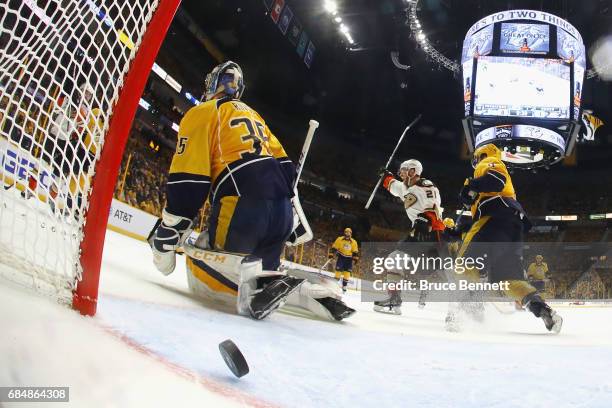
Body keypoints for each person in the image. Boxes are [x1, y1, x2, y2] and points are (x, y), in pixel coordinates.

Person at [149, 61, 303, 320]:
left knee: (214, 281)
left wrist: (169, 232)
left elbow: (189, 179)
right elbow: (287, 169)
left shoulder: (203, 112)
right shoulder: (256, 117)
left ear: (213, 83)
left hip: (243, 205)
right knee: (259, 277)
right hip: (282, 213)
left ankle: (238, 283)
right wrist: (293, 222)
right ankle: (264, 281)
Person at [456, 143, 562, 333]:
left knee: (464, 264)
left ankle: (471, 306)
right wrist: (471, 196)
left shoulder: (489, 160)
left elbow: (496, 180)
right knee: (508, 281)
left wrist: (470, 185)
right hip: (512, 228)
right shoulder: (497, 181)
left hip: (494, 218)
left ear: (482, 154)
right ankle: (544, 310)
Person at [373, 159, 445, 313]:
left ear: (414, 171)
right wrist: (384, 176)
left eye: (405, 169)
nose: (402, 172)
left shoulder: (425, 185)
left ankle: (469, 302)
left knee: (446, 270)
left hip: (432, 231)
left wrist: (426, 220)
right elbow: (391, 184)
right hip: (418, 230)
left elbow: (433, 206)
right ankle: (394, 300)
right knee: (394, 260)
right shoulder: (404, 188)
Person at [329, 227, 359, 293]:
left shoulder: (354, 242)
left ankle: (344, 286)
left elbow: (355, 251)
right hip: (341, 257)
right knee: (338, 271)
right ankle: (334, 284)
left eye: (349, 232)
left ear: (351, 234)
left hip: (349, 259)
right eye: (346, 232)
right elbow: (334, 247)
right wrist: (331, 253)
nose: (347, 233)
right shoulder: (339, 239)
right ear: (344, 233)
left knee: (347, 273)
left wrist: (356, 258)